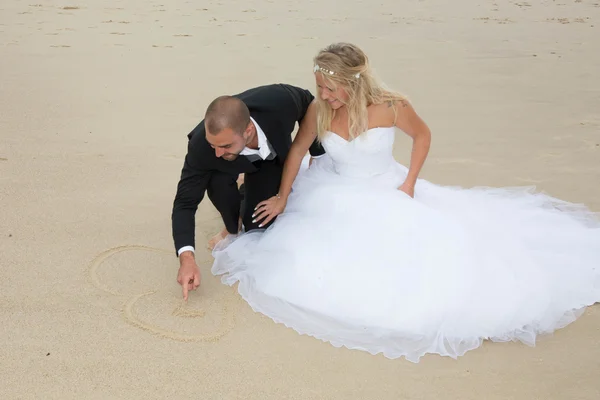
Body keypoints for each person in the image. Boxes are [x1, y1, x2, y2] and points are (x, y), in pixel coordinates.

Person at [211, 43, 600, 363]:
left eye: (331, 89)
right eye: (320, 87)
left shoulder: (391, 105)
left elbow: (423, 137)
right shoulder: (318, 109)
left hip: (386, 187)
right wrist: (281, 195)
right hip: (332, 188)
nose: (324, 96)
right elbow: (297, 151)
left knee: (420, 258)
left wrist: (410, 182)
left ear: (354, 82)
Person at [171, 83, 326, 300]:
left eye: (224, 145)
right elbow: (185, 203)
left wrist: (317, 153)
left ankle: (246, 180)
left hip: (272, 160)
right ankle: (238, 183)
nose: (216, 152)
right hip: (225, 169)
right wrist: (187, 259)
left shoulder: (280, 101)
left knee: (259, 226)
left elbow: (310, 104)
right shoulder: (203, 149)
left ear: (248, 131)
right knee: (235, 222)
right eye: (212, 144)